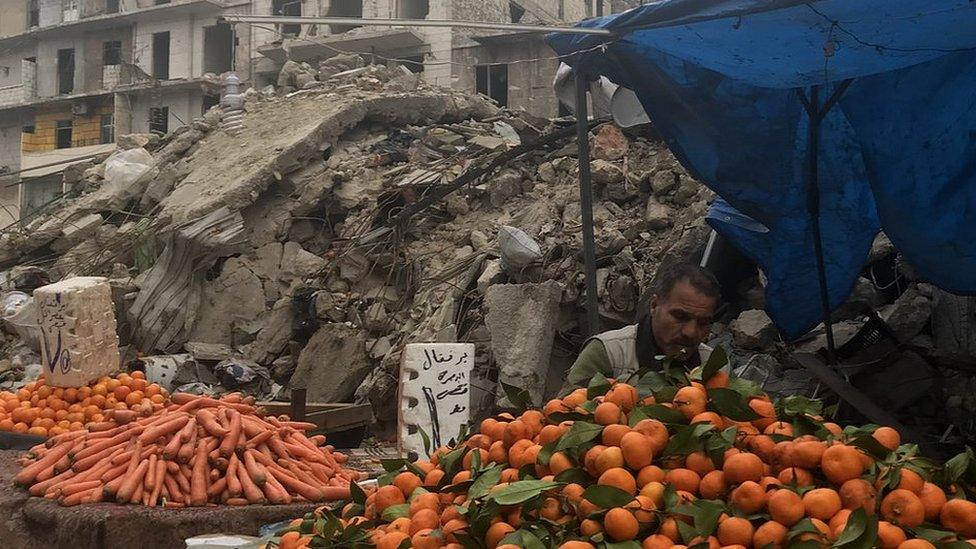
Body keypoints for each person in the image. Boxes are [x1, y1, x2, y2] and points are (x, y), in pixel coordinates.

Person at [565, 263, 721, 387]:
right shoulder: (608, 353)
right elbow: (563, 415)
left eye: (703, 322)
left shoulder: (714, 366)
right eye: (680, 316)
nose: (691, 332)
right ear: (654, 305)